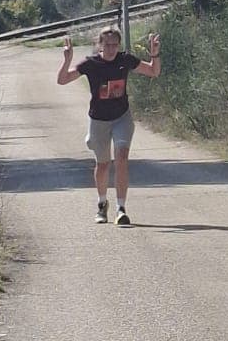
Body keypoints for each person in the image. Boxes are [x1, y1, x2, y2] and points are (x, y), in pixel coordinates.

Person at [57, 22, 161, 224]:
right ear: (100, 45)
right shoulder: (91, 63)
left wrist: (155, 54)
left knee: (121, 157)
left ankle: (121, 208)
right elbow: (62, 80)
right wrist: (67, 60)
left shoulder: (125, 60)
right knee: (103, 164)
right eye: (108, 45)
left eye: (115, 45)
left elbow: (153, 72)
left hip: (122, 117)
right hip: (98, 120)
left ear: (119, 45)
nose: (112, 49)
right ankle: (102, 203)